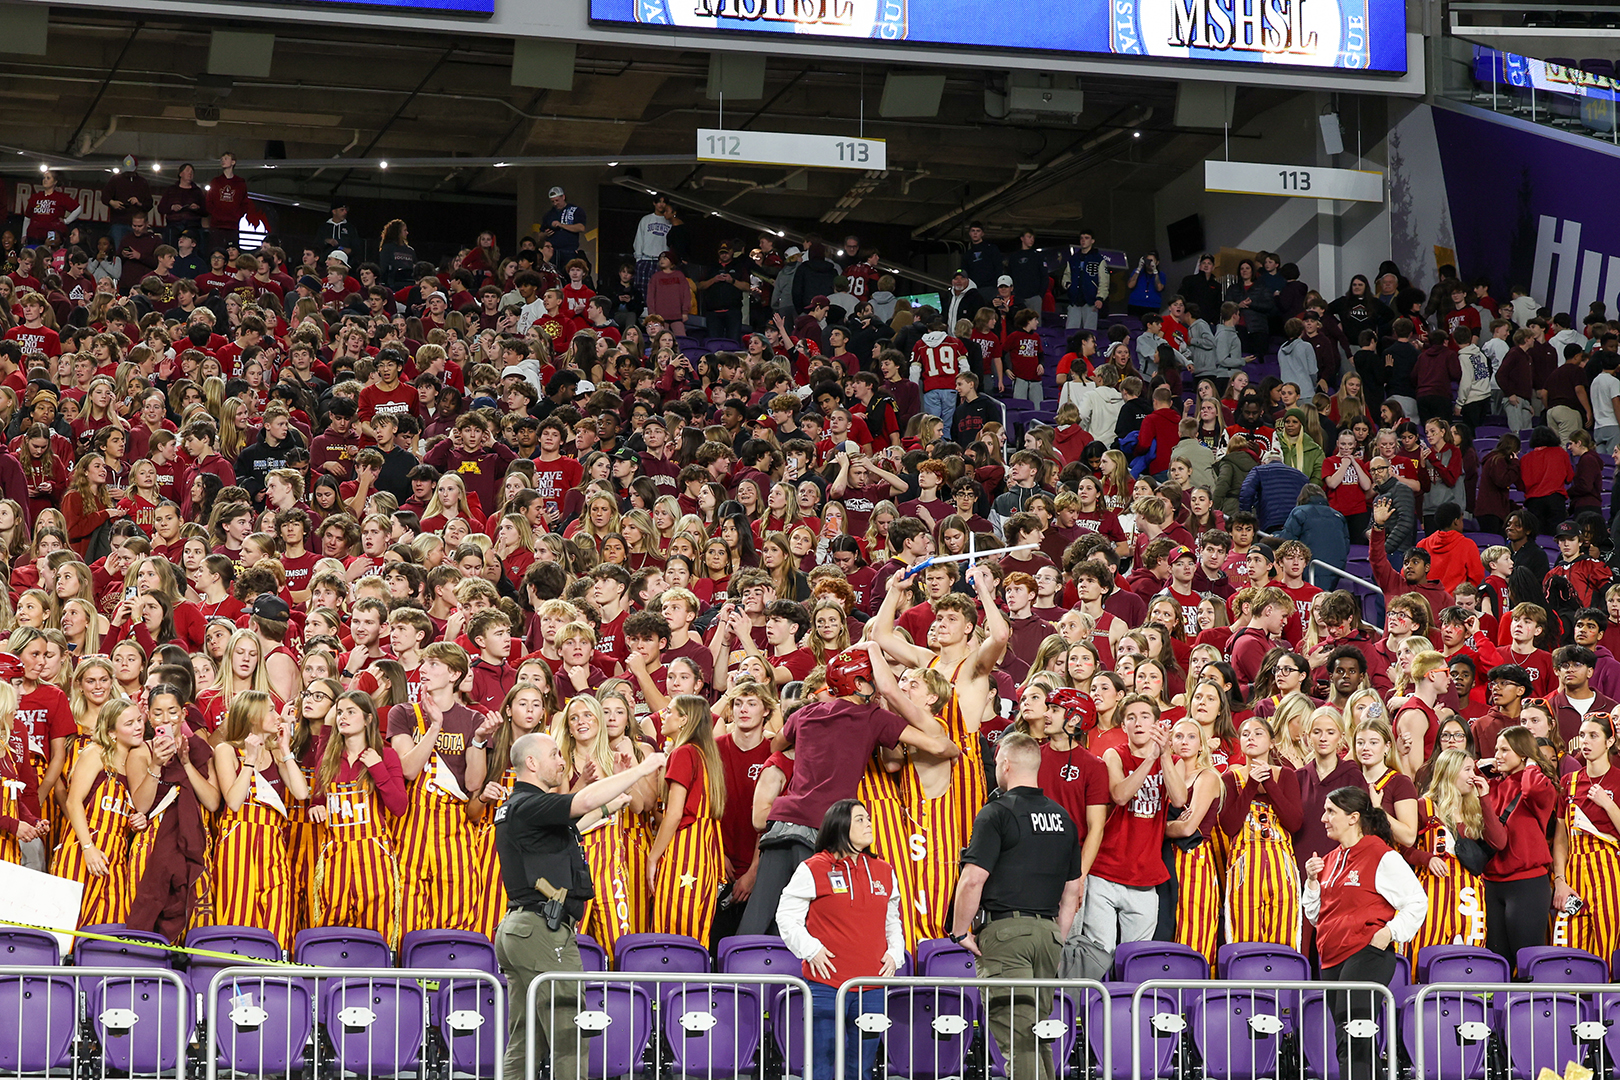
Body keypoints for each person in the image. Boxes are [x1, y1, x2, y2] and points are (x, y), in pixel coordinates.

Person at [493, 729, 665, 1080]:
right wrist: (641, 770)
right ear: (531, 763)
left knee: (526, 1037)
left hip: (520, 929)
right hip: (542, 932)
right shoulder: (530, 804)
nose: (561, 760)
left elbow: (579, 821)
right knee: (569, 1035)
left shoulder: (519, 809)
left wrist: (612, 799)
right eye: (555, 754)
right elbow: (582, 803)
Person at [947, 732, 1085, 1080]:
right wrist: (1058, 936)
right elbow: (1073, 892)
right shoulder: (1064, 819)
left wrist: (959, 930)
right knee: (1037, 1036)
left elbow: (972, 879)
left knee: (1017, 1038)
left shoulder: (996, 813)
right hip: (1049, 935)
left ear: (1005, 765)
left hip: (1006, 934)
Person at [1303, 787, 1428, 1080]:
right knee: (1347, 1036)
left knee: (1354, 1033)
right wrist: (1311, 882)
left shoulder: (1380, 854)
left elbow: (1417, 901)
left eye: (1331, 811)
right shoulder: (1330, 859)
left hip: (1366, 952)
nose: (1323, 818)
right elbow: (1315, 915)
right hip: (1332, 956)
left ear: (1353, 817)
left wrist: (1389, 932)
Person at [776, 799, 904, 1080]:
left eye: (868, 818)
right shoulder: (813, 868)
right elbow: (786, 916)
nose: (868, 823)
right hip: (826, 985)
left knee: (861, 1067)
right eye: (860, 819)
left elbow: (892, 920)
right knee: (822, 1064)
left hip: (872, 986)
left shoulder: (884, 870)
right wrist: (810, 950)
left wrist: (896, 952)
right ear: (839, 826)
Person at [1480, 725, 1556, 974]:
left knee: (1527, 958)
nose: (1497, 755)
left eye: (1504, 750)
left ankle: (1528, 1011)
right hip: (1492, 883)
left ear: (1523, 753)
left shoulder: (1538, 786)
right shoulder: (1491, 787)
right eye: (1496, 749)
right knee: (1496, 959)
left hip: (1527, 884)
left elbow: (1532, 789)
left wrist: (1532, 763)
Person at [1551, 715, 1620, 970]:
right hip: (1574, 867)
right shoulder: (1568, 782)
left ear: (1610, 741)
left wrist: (1608, 804)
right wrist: (1560, 880)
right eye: (1582, 735)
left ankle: (1605, 1004)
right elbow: (1561, 839)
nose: (1585, 742)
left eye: (1593, 736)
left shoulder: (1618, 779)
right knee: (1569, 941)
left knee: (1606, 938)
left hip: (1609, 867)